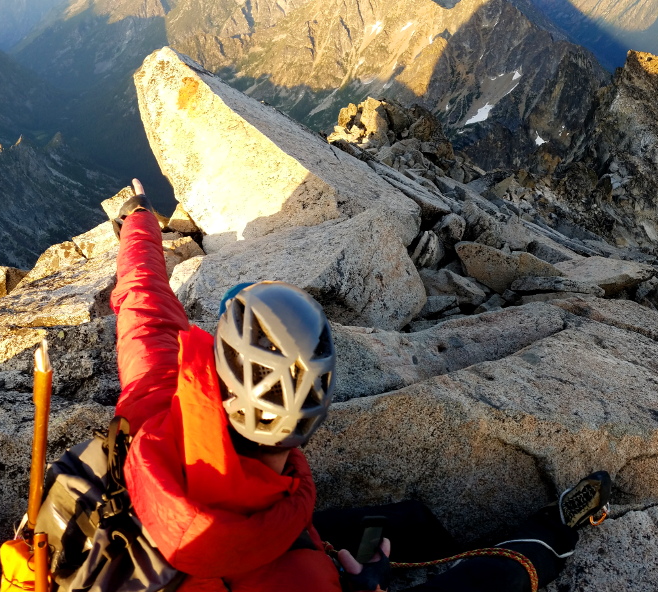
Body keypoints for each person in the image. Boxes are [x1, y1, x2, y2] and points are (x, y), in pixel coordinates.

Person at [108, 179, 611, 592]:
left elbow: (143, 302)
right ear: (317, 408)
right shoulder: (304, 579)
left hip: (198, 536)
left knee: (401, 524)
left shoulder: (158, 393)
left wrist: (138, 222)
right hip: (267, 553)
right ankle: (548, 541)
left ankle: (461, 536)